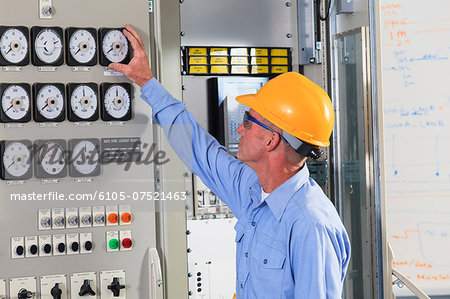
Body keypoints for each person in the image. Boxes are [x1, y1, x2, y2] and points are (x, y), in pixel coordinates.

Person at [110, 25, 351, 299]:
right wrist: (147, 82)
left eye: (248, 122)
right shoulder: (252, 189)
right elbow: (199, 150)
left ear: (271, 140)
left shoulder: (311, 225)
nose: (239, 129)